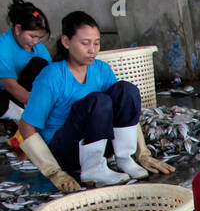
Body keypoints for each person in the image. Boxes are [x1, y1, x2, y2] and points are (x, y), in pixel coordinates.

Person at [17, 11, 173, 192]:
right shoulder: (52, 76)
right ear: (66, 42)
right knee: (98, 101)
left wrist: (142, 153)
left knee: (126, 90)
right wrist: (53, 171)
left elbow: (123, 106)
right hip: (66, 151)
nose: (92, 50)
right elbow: (26, 125)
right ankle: (93, 170)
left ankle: (125, 159)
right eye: (85, 43)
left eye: (96, 43)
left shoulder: (101, 69)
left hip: (100, 143)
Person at [0, 0, 51, 126]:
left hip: (25, 99)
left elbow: (51, 78)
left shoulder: (38, 48)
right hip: (0, 100)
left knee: (41, 65)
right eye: (32, 36)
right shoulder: (0, 45)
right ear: (18, 29)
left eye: (40, 37)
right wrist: (37, 106)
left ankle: (23, 118)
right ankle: (20, 117)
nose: (36, 41)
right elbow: (11, 86)